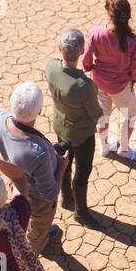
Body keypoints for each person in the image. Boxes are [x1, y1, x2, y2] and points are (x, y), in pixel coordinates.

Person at [0, 82, 69, 255]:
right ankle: (33, 262)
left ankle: (43, 231)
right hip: (36, 198)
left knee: (28, 218)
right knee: (37, 227)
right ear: (39, 111)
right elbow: (50, 194)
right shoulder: (38, 151)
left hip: (16, 184)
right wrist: (61, 166)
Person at [45, 29, 103, 229]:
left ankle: (66, 197)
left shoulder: (50, 67)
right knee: (82, 171)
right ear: (81, 52)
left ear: (60, 48)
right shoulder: (84, 85)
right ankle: (81, 212)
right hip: (81, 135)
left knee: (65, 163)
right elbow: (96, 114)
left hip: (59, 125)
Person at [82, 0, 136, 160]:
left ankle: (104, 147)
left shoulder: (96, 33)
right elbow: (135, 68)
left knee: (103, 116)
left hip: (99, 83)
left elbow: (86, 59)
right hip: (121, 87)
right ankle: (123, 149)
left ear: (109, 14)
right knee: (131, 115)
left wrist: (89, 68)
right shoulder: (133, 41)